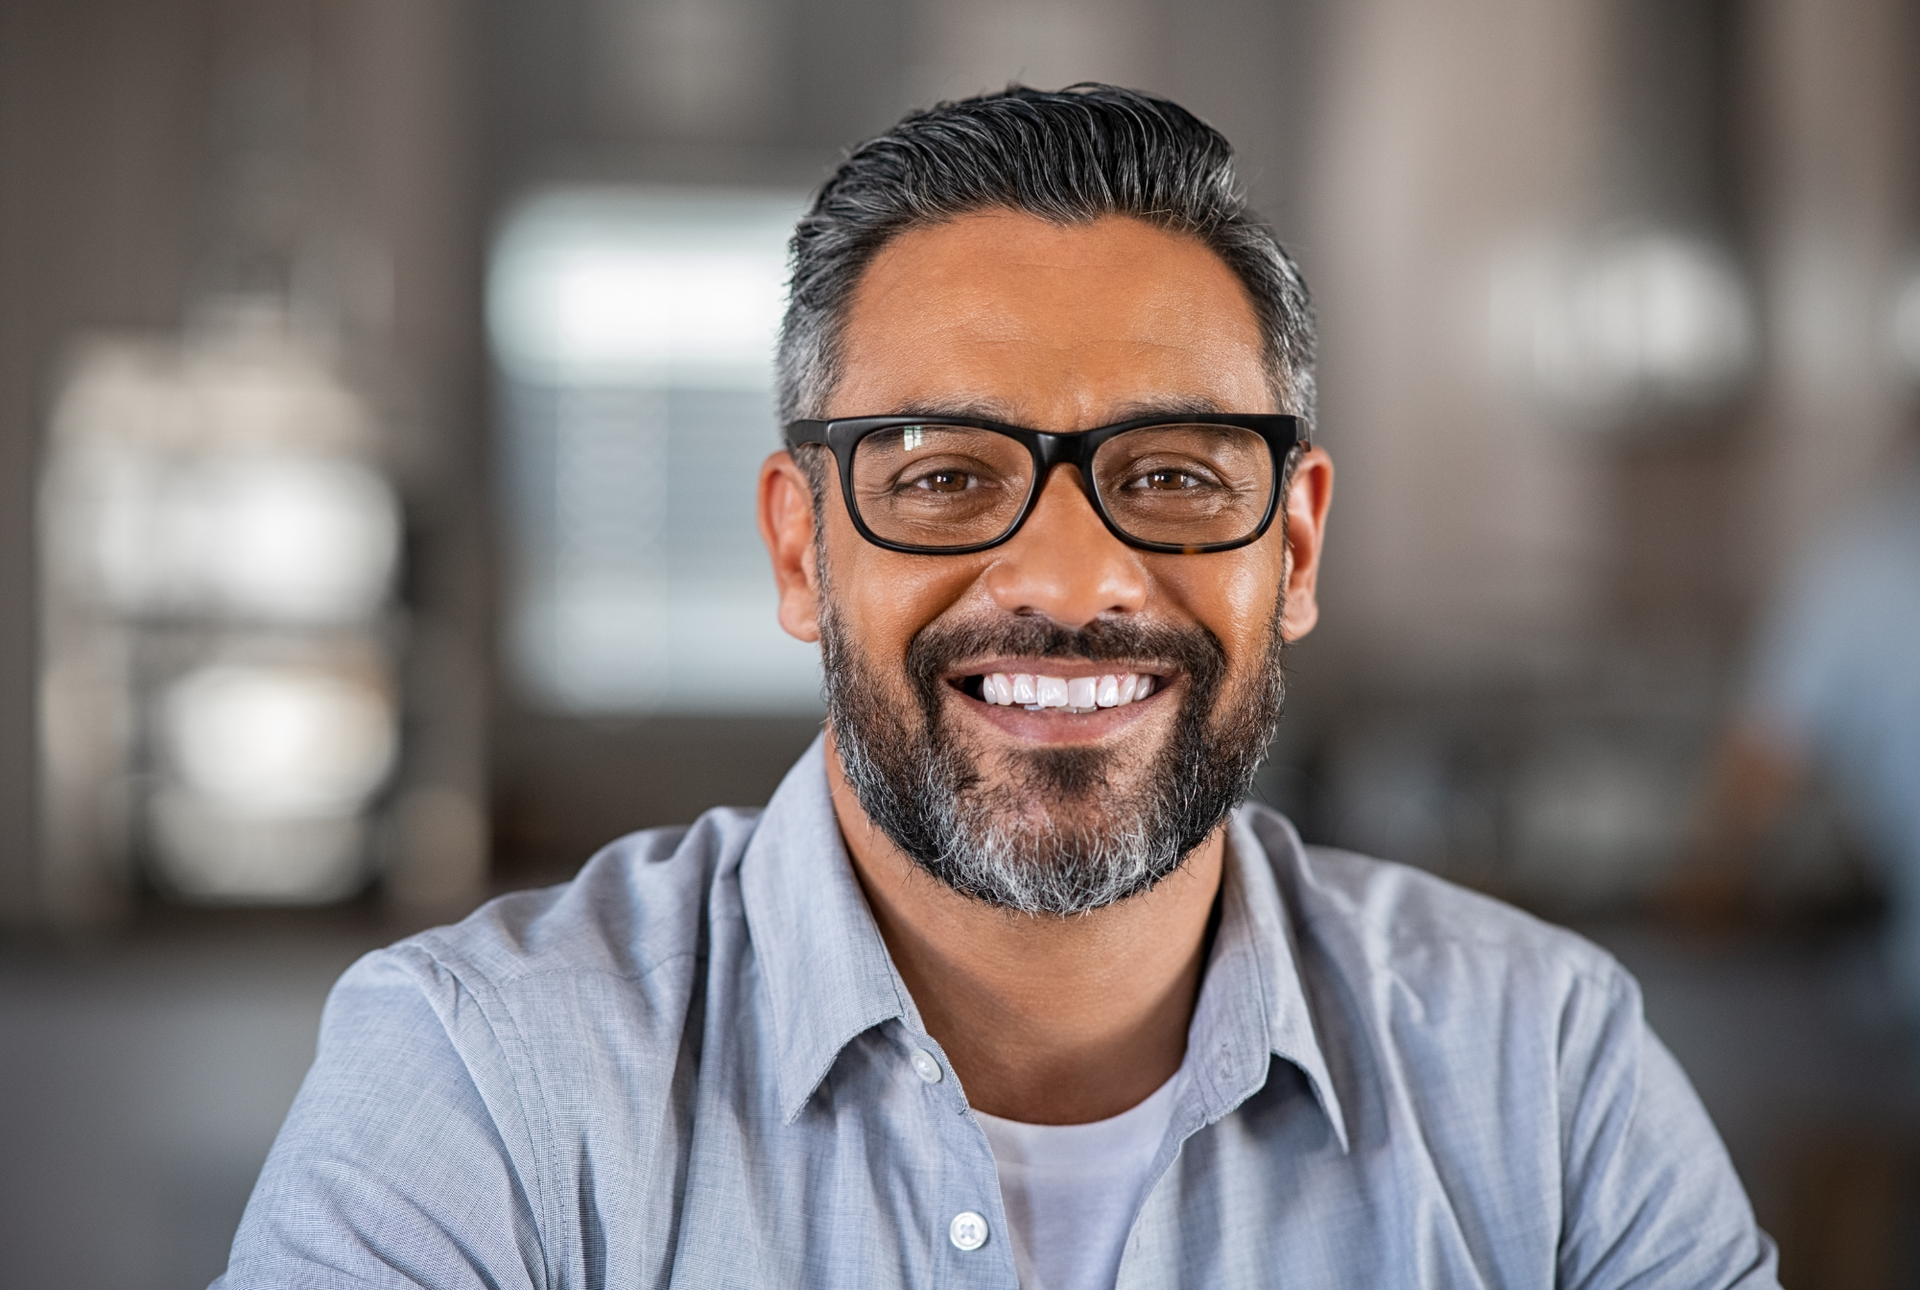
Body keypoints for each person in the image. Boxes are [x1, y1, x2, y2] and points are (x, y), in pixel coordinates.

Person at [215, 85, 1777, 1289]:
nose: (1068, 581)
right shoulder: (483, 1083)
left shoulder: (1550, 1077)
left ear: (1292, 547)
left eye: (1169, 473)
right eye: (948, 475)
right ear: (799, 546)